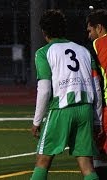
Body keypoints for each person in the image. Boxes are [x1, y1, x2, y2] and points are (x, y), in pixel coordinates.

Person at [30, 9, 102, 180]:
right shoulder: (84, 51)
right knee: (87, 166)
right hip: (85, 109)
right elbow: (96, 86)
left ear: (44, 32)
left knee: (42, 161)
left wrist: (36, 121)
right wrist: (97, 118)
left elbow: (45, 89)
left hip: (61, 108)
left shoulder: (43, 52)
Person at [86, 8, 107, 179]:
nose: (89, 36)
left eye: (90, 30)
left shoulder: (99, 44)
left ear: (99, 27)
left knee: (98, 151)